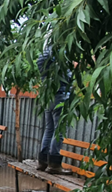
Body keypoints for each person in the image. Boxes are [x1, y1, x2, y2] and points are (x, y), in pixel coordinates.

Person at [36, 45, 73, 174]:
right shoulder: (58, 56)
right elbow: (68, 78)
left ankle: (42, 162)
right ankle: (54, 164)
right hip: (60, 96)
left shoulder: (43, 57)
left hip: (48, 98)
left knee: (49, 129)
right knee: (59, 130)